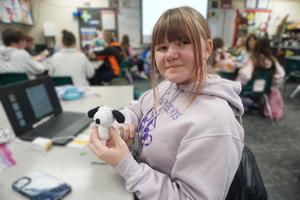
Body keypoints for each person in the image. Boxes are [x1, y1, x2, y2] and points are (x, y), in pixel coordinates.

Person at [89, 6, 244, 200]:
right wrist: (121, 123)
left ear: (207, 49)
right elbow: (136, 109)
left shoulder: (216, 122)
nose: (170, 54)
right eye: (162, 47)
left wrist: (125, 164)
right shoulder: (171, 85)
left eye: (183, 42)